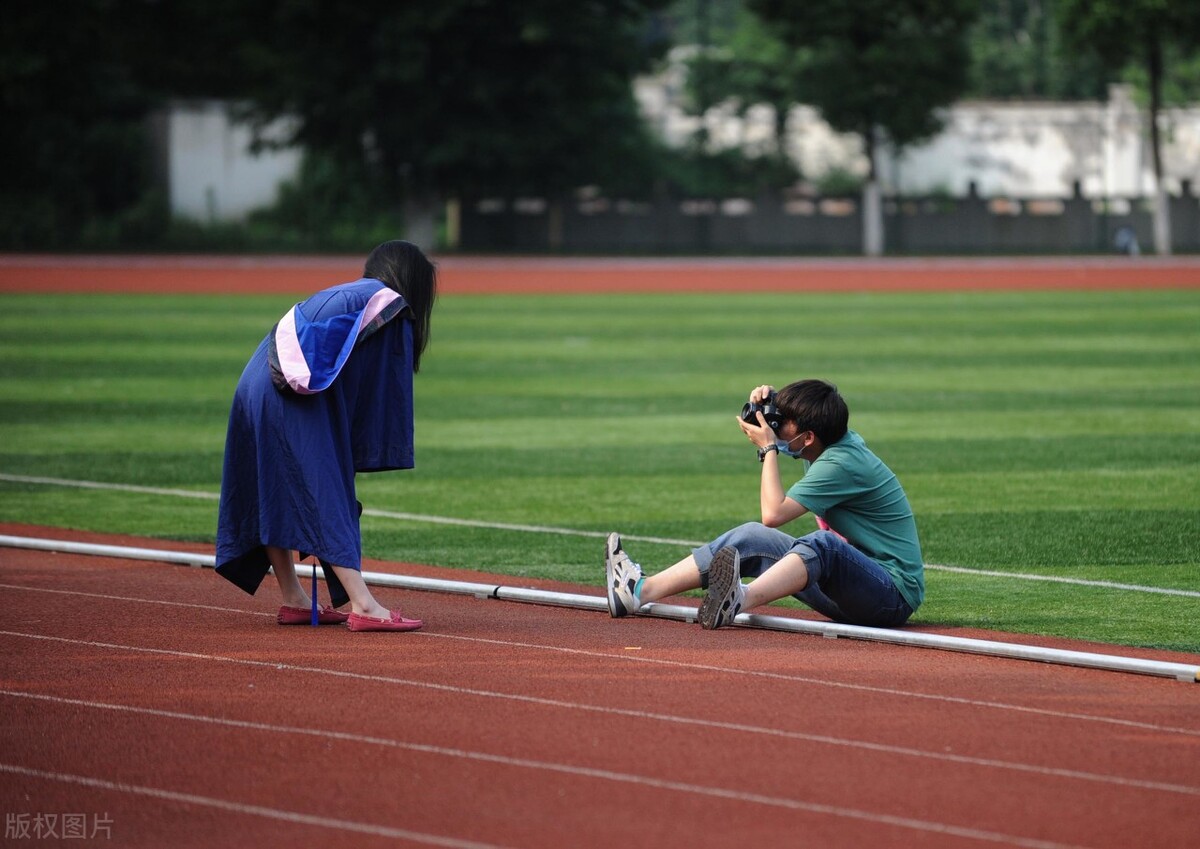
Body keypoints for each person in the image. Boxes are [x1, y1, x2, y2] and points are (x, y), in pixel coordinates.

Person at [215, 240, 437, 632]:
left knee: (274, 487)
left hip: (256, 379)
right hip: (288, 388)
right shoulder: (392, 305)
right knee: (326, 486)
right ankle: (364, 604)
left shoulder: (349, 293)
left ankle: (294, 598)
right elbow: (376, 399)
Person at [605, 379, 923, 630]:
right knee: (751, 536)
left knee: (824, 545)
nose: (775, 426)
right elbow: (799, 433)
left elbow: (773, 513)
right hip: (851, 588)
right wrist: (774, 401)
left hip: (890, 596)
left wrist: (768, 448)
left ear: (809, 436)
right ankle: (637, 592)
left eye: (783, 422)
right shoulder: (827, 440)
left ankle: (737, 600)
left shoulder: (842, 463)